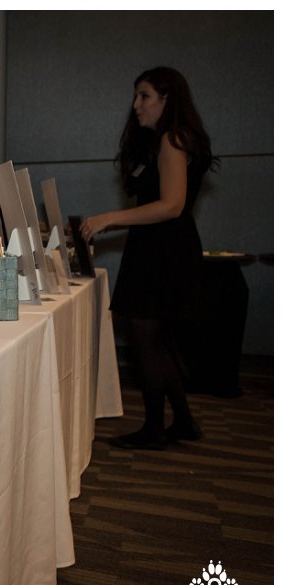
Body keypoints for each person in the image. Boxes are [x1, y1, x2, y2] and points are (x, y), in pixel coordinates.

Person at [81, 67, 217, 450]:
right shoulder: (164, 140)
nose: (136, 104)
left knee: (146, 337)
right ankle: (183, 421)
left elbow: (172, 205)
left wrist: (109, 218)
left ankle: (155, 428)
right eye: (136, 96)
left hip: (164, 251)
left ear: (166, 99)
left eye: (144, 96)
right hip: (158, 248)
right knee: (158, 340)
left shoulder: (173, 139)